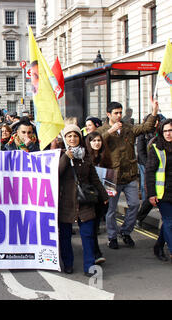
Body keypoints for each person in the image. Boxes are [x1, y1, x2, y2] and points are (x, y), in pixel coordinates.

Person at [96, 100, 159, 249]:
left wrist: (154, 111)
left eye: (120, 113)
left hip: (129, 174)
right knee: (111, 210)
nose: (119, 116)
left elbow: (146, 127)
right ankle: (112, 237)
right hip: (112, 176)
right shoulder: (102, 130)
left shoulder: (128, 128)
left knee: (134, 205)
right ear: (108, 114)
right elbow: (95, 142)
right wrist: (110, 131)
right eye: (116, 113)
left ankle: (126, 231)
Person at [58, 125, 109, 276]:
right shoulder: (61, 155)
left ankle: (89, 266)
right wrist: (66, 157)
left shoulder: (86, 155)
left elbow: (94, 178)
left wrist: (104, 195)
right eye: (69, 136)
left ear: (80, 138)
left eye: (75, 136)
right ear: (65, 139)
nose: (72, 139)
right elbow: (56, 173)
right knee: (65, 236)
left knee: (87, 235)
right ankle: (68, 263)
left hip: (85, 201)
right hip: (66, 202)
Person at [146, 118, 172, 262]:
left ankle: (158, 246)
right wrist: (151, 193)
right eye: (165, 131)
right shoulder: (156, 147)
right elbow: (149, 172)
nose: (168, 134)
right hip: (163, 192)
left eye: (170, 130)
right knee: (169, 222)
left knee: (169, 223)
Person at [85, 131, 113, 265]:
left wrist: (108, 193)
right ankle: (95, 253)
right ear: (88, 143)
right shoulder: (85, 158)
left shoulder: (106, 157)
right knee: (91, 227)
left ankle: (95, 251)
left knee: (95, 226)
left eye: (99, 140)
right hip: (89, 197)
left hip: (102, 197)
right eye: (93, 140)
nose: (97, 143)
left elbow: (111, 178)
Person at [136, 113, 165, 227]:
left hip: (162, 167)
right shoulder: (143, 134)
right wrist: (149, 165)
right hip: (147, 165)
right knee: (149, 193)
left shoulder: (161, 133)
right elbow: (141, 152)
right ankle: (140, 217)